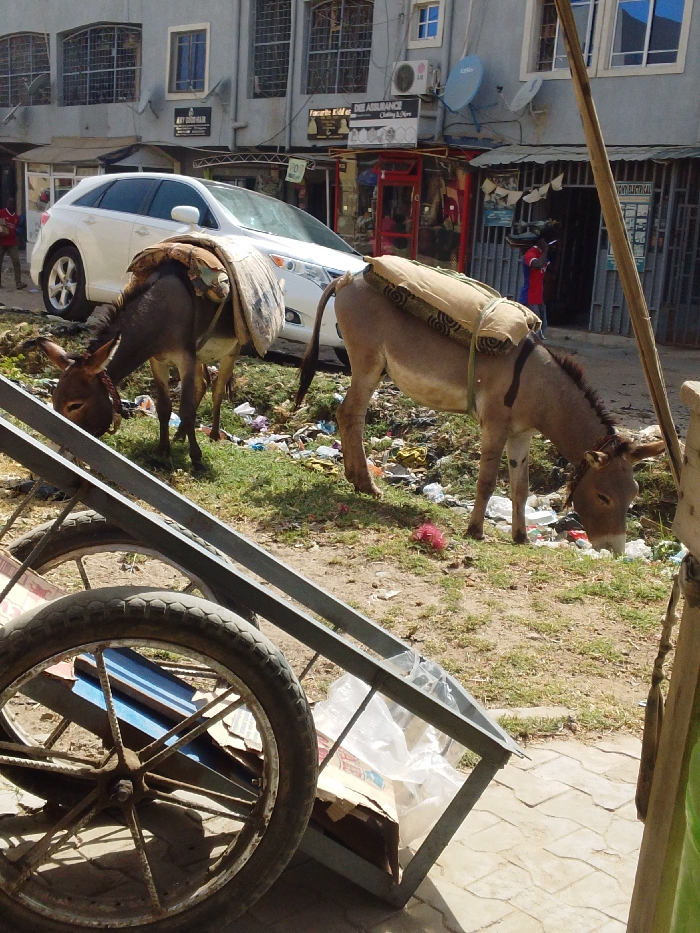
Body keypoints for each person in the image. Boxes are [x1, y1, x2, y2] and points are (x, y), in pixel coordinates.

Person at [518, 225, 557, 337]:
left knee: (542, 327)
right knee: (535, 329)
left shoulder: (543, 255)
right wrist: (545, 250)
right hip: (529, 297)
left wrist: (554, 253)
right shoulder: (531, 254)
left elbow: (551, 271)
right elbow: (538, 265)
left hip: (538, 298)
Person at [0, 197, 26, 290]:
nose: (10, 205)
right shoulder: (2, 212)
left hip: (12, 242)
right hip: (1, 241)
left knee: (16, 261)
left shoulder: (16, 217)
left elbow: (16, 228)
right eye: (9, 203)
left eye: (12, 204)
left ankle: (18, 282)